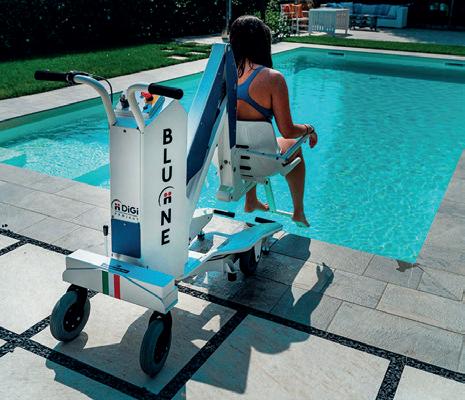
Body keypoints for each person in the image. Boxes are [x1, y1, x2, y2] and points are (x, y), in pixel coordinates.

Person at [229, 15, 318, 227]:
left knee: (245, 140)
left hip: (230, 160)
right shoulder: (272, 78)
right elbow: (288, 130)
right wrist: (309, 129)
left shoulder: (225, 75)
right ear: (263, 43)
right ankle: (298, 211)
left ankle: (251, 200)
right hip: (264, 161)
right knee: (294, 147)